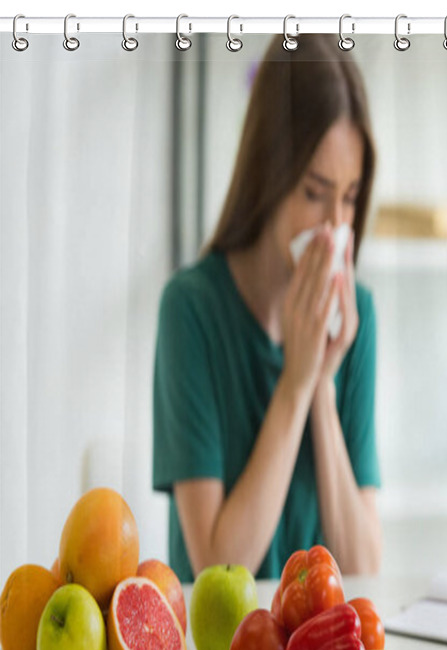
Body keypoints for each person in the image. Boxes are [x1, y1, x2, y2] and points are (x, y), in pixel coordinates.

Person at [152, 35, 382, 582]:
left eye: (349, 197)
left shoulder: (356, 318)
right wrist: (295, 384)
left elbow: (366, 570)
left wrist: (322, 388)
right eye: (313, 191)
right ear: (268, 175)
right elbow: (217, 568)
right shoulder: (191, 310)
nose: (333, 227)